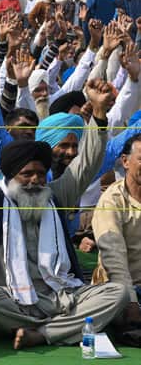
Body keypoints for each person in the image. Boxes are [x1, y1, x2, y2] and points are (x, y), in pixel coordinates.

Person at [0, 62, 127, 349]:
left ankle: (43, 333)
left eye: (40, 173)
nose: (36, 180)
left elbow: (86, 165)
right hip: (12, 299)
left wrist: (99, 114)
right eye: (27, 174)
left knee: (118, 294)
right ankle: (64, 328)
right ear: (11, 176)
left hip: (60, 297)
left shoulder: (54, 196)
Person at [92, 134, 141, 327]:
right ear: (125, 162)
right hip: (124, 290)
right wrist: (131, 301)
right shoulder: (112, 201)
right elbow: (114, 258)